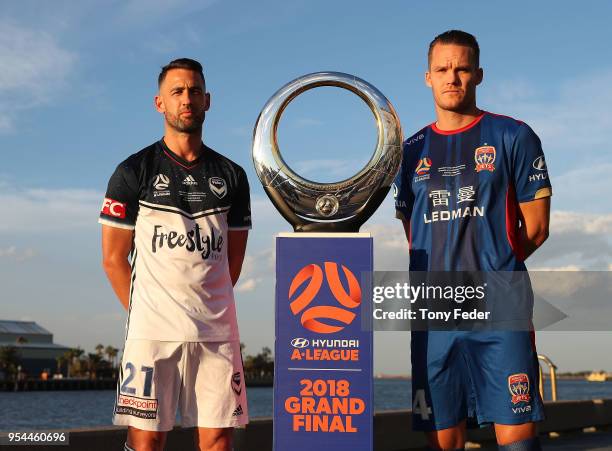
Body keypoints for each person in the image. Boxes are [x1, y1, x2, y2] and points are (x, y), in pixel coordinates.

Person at [394, 31, 552, 451]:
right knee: (443, 441)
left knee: (517, 441)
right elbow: (415, 233)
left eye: (462, 68)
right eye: (443, 69)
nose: (453, 78)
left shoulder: (513, 136)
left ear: (478, 74)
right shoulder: (409, 152)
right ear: (427, 77)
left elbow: (535, 228)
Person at [100, 58, 251, 451]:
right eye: (178, 92)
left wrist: (203, 306)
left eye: (195, 91)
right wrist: (145, 314)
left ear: (208, 101)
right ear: (159, 103)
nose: (188, 99)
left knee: (218, 438)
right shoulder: (133, 171)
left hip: (216, 332)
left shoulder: (232, 175)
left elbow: (231, 262)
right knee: (147, 441)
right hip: (151, 334)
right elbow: (114, 259)